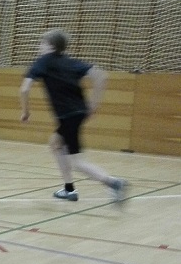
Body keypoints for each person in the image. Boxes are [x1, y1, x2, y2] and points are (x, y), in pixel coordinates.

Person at [19, 29, 127, 202]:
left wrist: (25, 112)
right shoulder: (70, 62)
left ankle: (113, 183)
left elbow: (24, 89)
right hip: (78, 113)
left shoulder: (43, 61)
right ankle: (69, 189)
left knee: (77, 161)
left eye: (42, 43)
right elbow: (101, 77)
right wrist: (93, 105)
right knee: (55, 143)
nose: (39, 47)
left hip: (68, 115)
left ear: (51, 45)